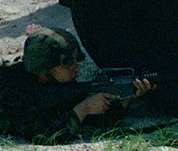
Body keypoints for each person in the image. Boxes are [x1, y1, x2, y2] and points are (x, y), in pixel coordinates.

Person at [0, 27, 151, 144]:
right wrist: (83, 108)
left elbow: (93, 123)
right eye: (67, 65)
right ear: (44, 69)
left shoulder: (56, 86)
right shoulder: (11, 90)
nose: (76, 69)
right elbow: (46, 136)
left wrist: (126, 97)